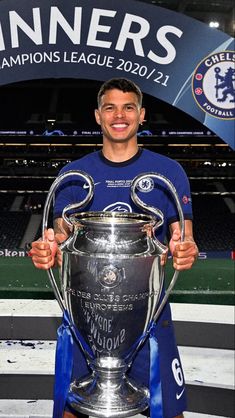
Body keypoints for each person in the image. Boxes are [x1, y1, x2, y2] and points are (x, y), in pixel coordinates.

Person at [30, 77, 198, 418]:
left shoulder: (168, 171)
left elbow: (184, 234)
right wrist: (47, 244)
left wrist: (185, 247)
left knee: (168, 412)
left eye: (128, 107)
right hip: (86, 318)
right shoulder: (75, 174)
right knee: (73, 409)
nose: (119, 115)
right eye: (110, 107)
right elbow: (59, 231)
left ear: (141, 115)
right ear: (97, 116)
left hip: (148, 317)